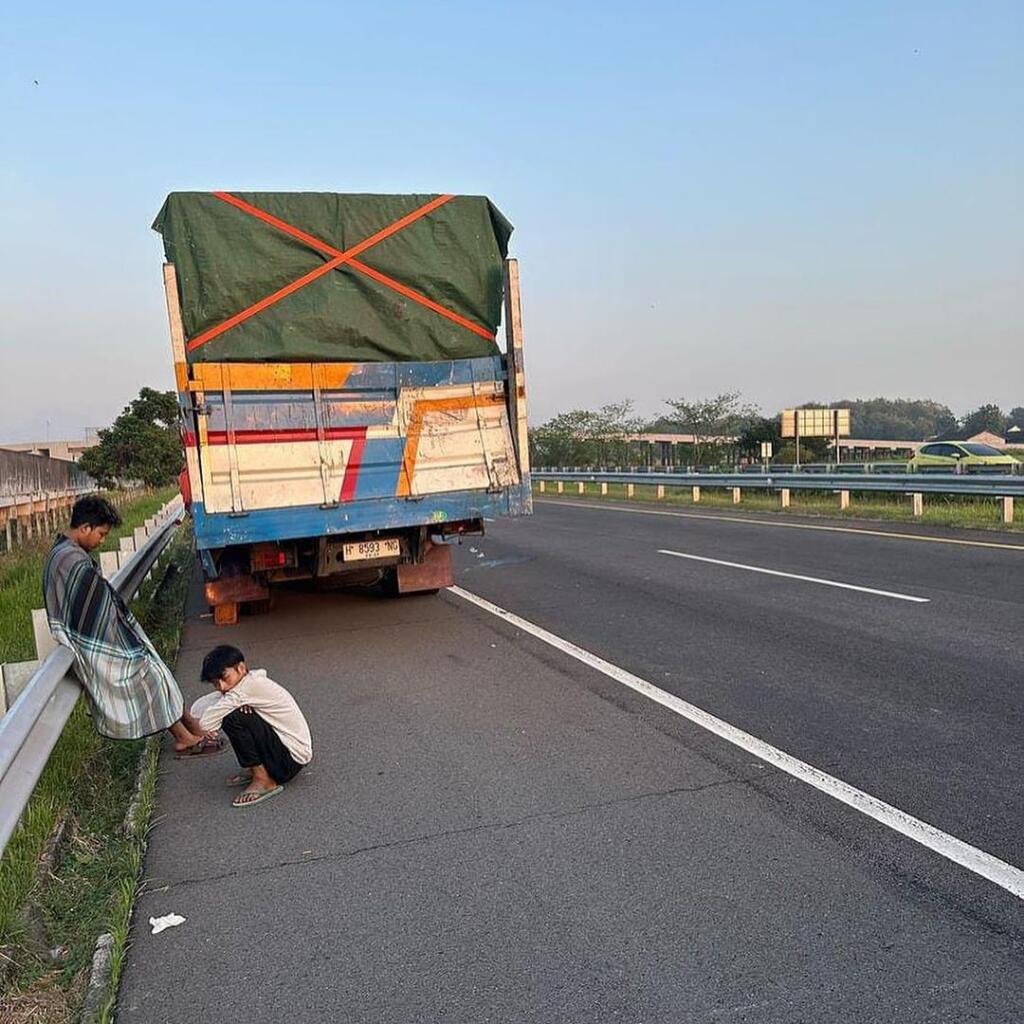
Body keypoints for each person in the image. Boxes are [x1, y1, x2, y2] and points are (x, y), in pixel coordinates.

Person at [43, 494, 222, 756]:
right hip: (92, 642)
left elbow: (97, 602)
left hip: (100, 635)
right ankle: (184, 736)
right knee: (149, 675)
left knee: (158, 670)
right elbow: (91, 609)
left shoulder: (67, 553)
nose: (101, 540)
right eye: (101, 534)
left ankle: (190, 725)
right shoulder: (70, 560)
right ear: (85, 528)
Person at [198, 645, 312, 808]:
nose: (222, 687)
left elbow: (205, 722)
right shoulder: (246, 684)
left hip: (290, 761)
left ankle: (263, 780)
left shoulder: (247, 687)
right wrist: (231, 703)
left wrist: (227, 709)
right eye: (216, 683)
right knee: (232, 711)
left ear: (241, 668)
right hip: (288, 754)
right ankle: (259, 770)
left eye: (224, 678)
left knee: (231, 717)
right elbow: (198, 708)